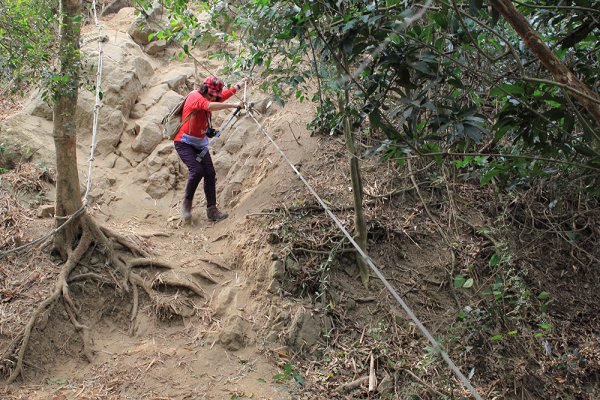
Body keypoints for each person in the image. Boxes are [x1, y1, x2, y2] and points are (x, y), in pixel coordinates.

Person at [173, 75, 249, 223]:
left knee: (209, 173)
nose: (214, 98)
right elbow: (209, 106)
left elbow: (223, 96)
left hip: (200, 142)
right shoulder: (196, 97)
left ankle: (212, 210)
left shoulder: (209, 97)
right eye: (211, 95)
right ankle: (186, 207)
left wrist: (240, 85)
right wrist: (235, 106)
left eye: (215, 96)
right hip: (184, 142)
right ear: (205, 89)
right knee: (197, 171)